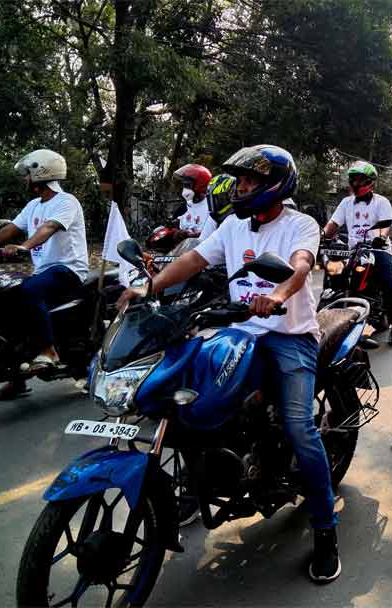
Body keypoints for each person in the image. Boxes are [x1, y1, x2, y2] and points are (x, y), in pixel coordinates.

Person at [118, 144, 342, 583]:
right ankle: (200, 478)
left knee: (300, 428)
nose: (240, 188)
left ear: (275, 185)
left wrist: (276, 297)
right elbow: (193, 259)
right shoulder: (234, 226)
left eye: (250, 181)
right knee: (186, 393)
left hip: (289, 337)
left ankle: (325, 530)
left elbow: (299, 267)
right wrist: (152, 287)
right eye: (239, 180)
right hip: (239, 331)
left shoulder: (301, 224)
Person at [0, 149, 88, 401]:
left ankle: (49, 351)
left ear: (41, 173)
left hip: (68, 268)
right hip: (44, 270)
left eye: (27, 175)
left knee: (28, 291)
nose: (25, 180)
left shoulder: (66, 202)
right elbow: (7, 232)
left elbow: (49, 227)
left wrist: (24, 246)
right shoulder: (33, 206)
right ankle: (15, 378)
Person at [323, 161, 392, 347]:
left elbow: (384, 226)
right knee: (333, 275)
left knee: (388, 284)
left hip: (378, 249)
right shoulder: (345, 203)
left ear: (369, 181)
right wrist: (322, 235)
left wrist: (381, 238)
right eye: (353, 179)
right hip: (353, 251)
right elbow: (333, 224)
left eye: (360, 179)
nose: (356, 183)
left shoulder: (381, 202)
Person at [172, 163, 213, 239]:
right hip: (183, 248)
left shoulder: (212, 206)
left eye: (188, 185)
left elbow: (216, 232)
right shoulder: (184, 207)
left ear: (200, 185)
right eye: (184, 185)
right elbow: (173, 228)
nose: (185, 188)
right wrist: (178, 233)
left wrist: (199, 234)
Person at [198, 173, 237, 241]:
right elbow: (202, 240)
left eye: (218, 199)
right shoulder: (213, 217)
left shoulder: (239, 217)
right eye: (210, 198)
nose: (213, 202)